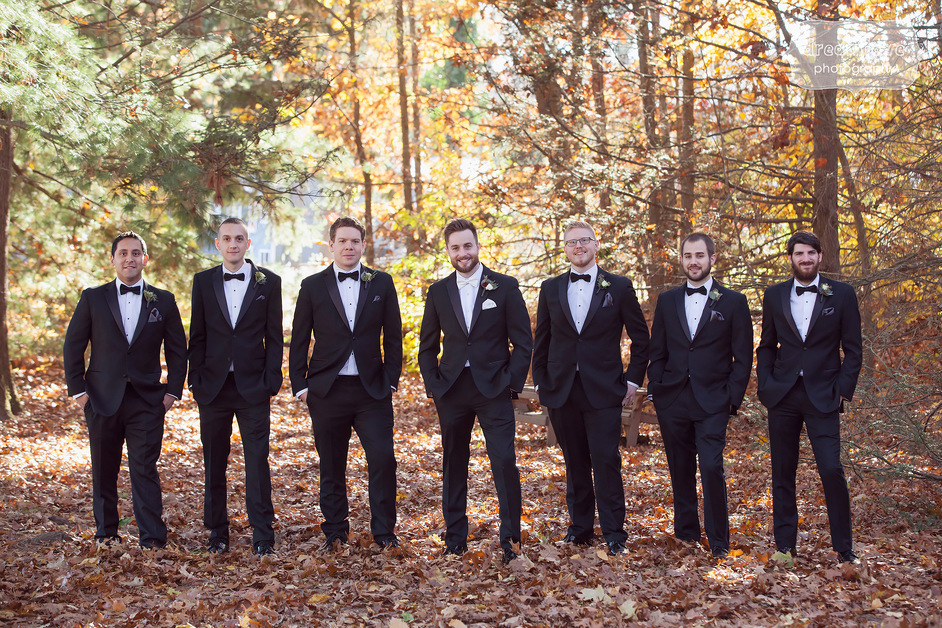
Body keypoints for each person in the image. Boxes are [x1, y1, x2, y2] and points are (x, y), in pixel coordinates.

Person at [532, 220, 649, 556]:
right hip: (562, 389)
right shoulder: (550, 288)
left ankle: (614, 534)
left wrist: (632, 380)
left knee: (606, 460)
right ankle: (580, 529)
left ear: (596, 245)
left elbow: (641, 339)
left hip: (604, 390)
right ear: (565, 249)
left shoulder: (619, 287)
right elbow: (542, 340)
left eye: (584, 240)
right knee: (575, 461)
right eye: (572, 242)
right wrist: (540, 380)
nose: (578, 246)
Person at [418, 219, 532, 563]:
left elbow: (523, 342)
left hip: (494, 388)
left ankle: (511, 542)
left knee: (504, 462)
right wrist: (434, 386)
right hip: (452, 390)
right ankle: (455, 539)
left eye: (467, 246)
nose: (462, 253)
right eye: (455, 247)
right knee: (454, 462)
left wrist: (511, 382)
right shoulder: (438, 292)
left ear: (477, 246)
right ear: (448, 251)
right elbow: (427, 346)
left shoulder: (505, 286)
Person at [63, 231, 187, 549]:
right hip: (101, 397)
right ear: (113, 259)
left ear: (145, 259)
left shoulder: (163, 300)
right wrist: (79, 392)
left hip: (147, 399)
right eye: (123, 253)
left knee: (144, 468)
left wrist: (172, 392)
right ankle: (106, 534)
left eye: (135, 253)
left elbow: (177, 350)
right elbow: (73, 345)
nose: (129, 258)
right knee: (104, 469)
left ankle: (152, 538)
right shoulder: (93, 298)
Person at [289, 216, 403, 551]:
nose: (349, 247)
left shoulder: (382, 283)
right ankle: (335, 532)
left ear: (363, 245)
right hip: (327, 390)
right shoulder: (312, 286)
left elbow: (393, 336)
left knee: (383, 459)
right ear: (332, 245)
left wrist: (391, 381)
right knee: (331, 464)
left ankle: (384, 532)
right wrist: (301, 385)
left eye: (355, 241)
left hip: (372, 391)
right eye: (342, 241)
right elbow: (299, 338)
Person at [756, 230, 863, 564]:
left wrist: (842, 391)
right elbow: (766, 345)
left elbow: (854, 350)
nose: (805, 259)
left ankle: (844, 549)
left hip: (824, 395)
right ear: (790, 258)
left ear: (820, 256)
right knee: (782, 472)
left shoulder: (842, 294)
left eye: (810, 253)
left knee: (831, 468)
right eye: (799, 253)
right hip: (783, 395)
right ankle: (785, 547)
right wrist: (766, 384)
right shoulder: (774, 295)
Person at [647, 233, 752, 558]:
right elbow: (657, 350)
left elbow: (743, 357)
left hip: (713, 400)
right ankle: (687, 534)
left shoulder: (733, 302)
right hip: (673, 399)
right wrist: (658, 387)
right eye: (688, 256)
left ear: (712, 258)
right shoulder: (667, 300)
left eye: (699, 256)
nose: (693, 262)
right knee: (679, 468)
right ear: (682, 259)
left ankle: (719, 541)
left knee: (710, 466)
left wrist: (731, 398)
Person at [188, 217, 283, 555]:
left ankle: (263, 534)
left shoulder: (269, 282)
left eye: (239, 238)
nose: (233, 244)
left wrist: (271, 380)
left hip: (253, 386)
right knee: (214, 461)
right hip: (213, 387)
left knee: (257, 461)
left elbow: (274, 336)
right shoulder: (202, 281)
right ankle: (217, 532)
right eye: (227, 238)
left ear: (248, 243)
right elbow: (197, 335)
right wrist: (195, 379)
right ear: (218, 244)